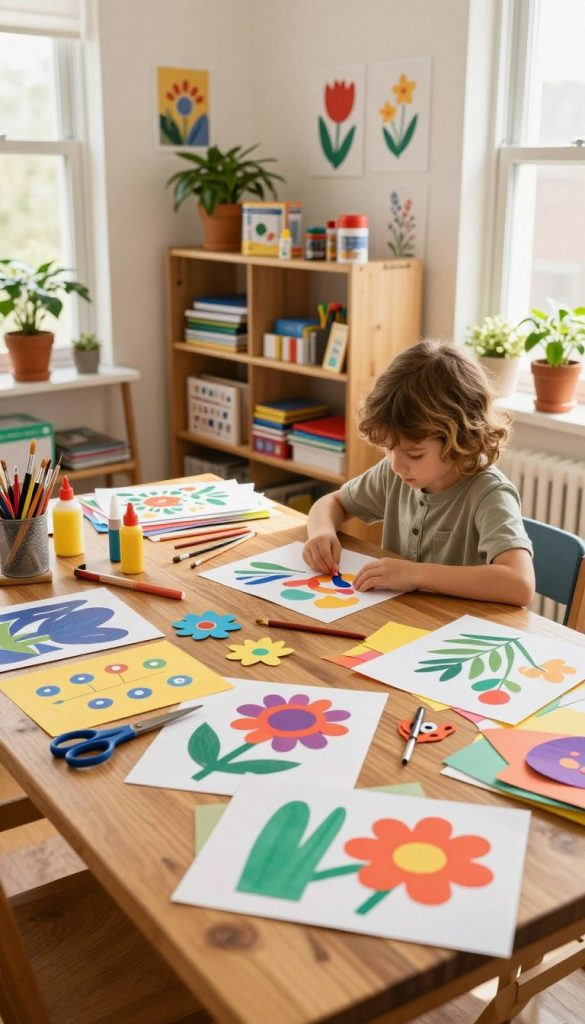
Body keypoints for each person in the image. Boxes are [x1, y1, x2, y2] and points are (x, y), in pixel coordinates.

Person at [303, 339, 535, 607]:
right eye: (388, 448)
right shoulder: (394, 475)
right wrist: (321, 532)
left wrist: (415, 574)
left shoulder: (490, 494)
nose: (396, 465)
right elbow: (334, 502)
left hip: (457, 626)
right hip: (404, 617)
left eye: (414, 454)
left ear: (460, 439)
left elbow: (520, 584)